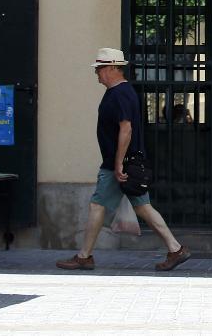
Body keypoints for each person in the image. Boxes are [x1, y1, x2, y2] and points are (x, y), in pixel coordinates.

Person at [56, 48, 190, 272]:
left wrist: (118, 163)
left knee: (98, 205)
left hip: (118, 164)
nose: (96, 74)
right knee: (143, 207)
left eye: (99, 69)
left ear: (111, 68)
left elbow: (125, 130)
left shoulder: (119, 94)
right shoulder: (121, 92)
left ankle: (84, 256)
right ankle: (176, 249)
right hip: (126, 163)